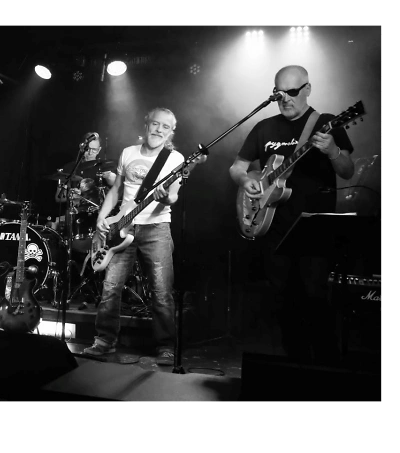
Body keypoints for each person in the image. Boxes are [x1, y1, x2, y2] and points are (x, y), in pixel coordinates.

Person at [229, 65, 355, 364]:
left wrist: (333, 151)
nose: (285, 98)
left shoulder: (325, 123)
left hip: (315, 227)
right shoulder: (264, 127)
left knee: (315, 295)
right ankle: (295, 363)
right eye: (279, 93)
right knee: (283, 299)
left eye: (292, 92)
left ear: (308, 89)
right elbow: (237, 166)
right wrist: (246, 181)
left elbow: (348, 171)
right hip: (273, 226)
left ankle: (325, 364)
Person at [84, 108, 201, 366]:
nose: (159, 130)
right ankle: (104, 341)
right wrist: (101, 218)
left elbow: (173, 196)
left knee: (161, 291)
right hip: (121, 227)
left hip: (156, 228)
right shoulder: (128, 152)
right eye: (155, 124)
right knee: (110, 288)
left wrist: (165, 198)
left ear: (171, 132)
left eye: (165, 127)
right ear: (146, 125)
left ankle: (166, 346)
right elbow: (116, 189)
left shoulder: (175, 159)